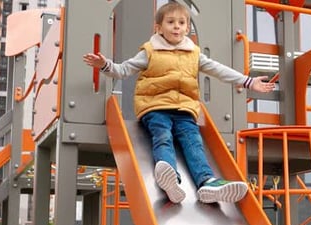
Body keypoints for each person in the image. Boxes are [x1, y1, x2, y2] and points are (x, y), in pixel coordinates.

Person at [83, 2, 275, 204]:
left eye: (182, 23)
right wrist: (104, 65)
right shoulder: (149, 51)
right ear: (158, 28)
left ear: (187, 28)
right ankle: (169, 176)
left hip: (185, 109)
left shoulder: (193, 54)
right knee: (162, 135)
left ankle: (207, 182)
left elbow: (219, 70)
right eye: (171, 22)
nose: (177, 26)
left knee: (194, 142)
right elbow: (123, 70)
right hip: (155, 107)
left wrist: (248, 81)